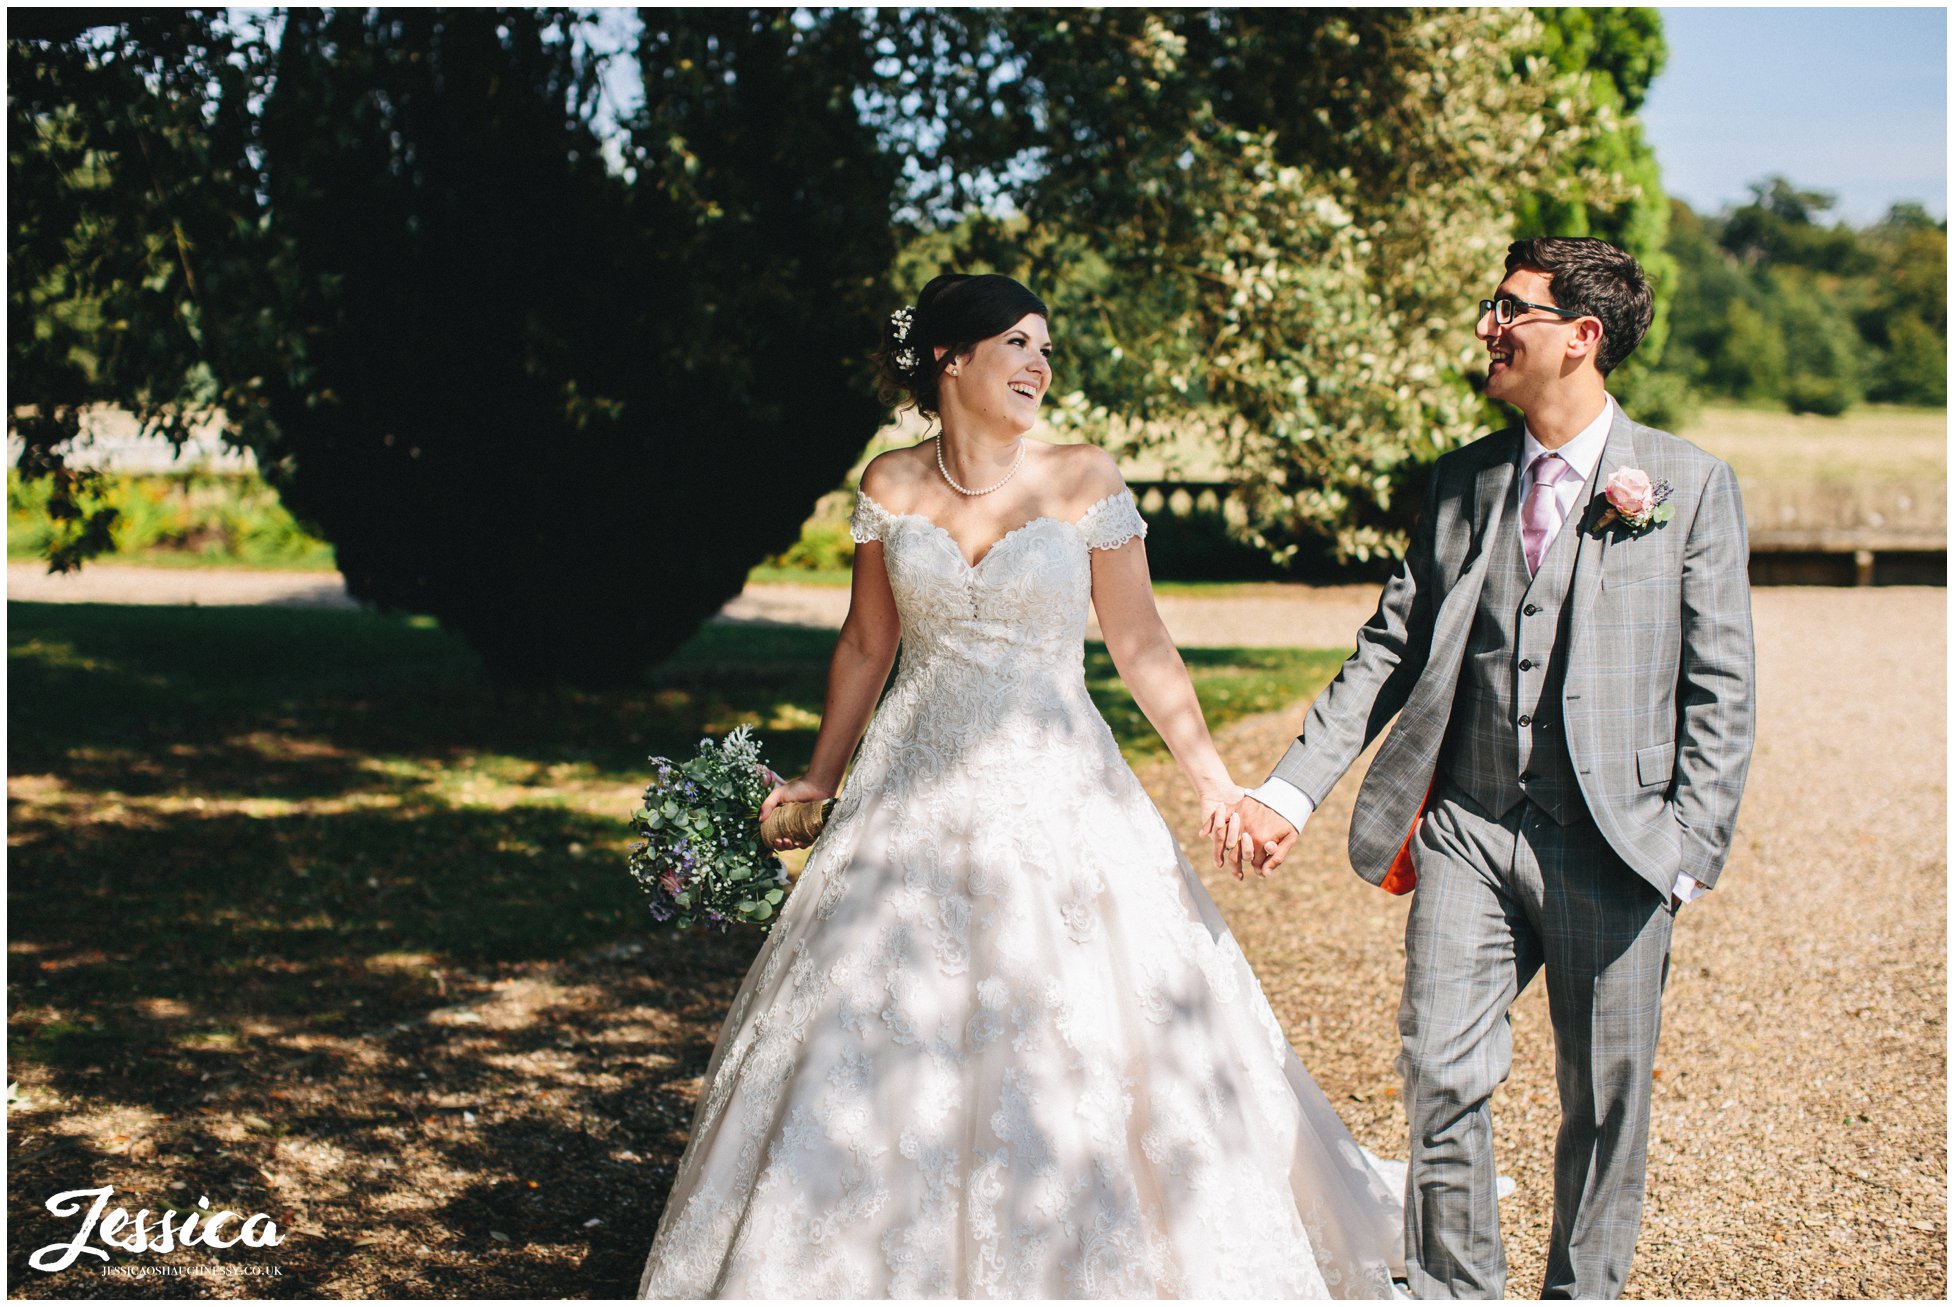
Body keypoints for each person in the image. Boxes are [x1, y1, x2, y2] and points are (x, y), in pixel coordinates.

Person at [637, 273, 1404, 1298]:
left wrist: (1215, 780)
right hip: (910, 783)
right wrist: (820, 775)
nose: (1039, 363)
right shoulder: (890, 484)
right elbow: (868, 641)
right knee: (869, 1008)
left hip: (1058, 782)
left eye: (1045, 345)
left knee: (1084, 1014)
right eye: (1016, 343)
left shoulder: (1082, 477)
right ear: (951, 360)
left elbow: (1138, 641)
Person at [1217, 237, 1756, 1299]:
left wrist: (1688, 849)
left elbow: (1721, 687)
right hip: (1467, 822)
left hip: (1618, 841)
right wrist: (1287, 790)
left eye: (1510, 310)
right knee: (1439, 1072)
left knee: (1604, 1097)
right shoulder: (1461, 481)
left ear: (1580, 338)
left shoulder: (1688, 485)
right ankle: (1455, 1292)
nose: (1486, 328)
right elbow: (1388, 648)